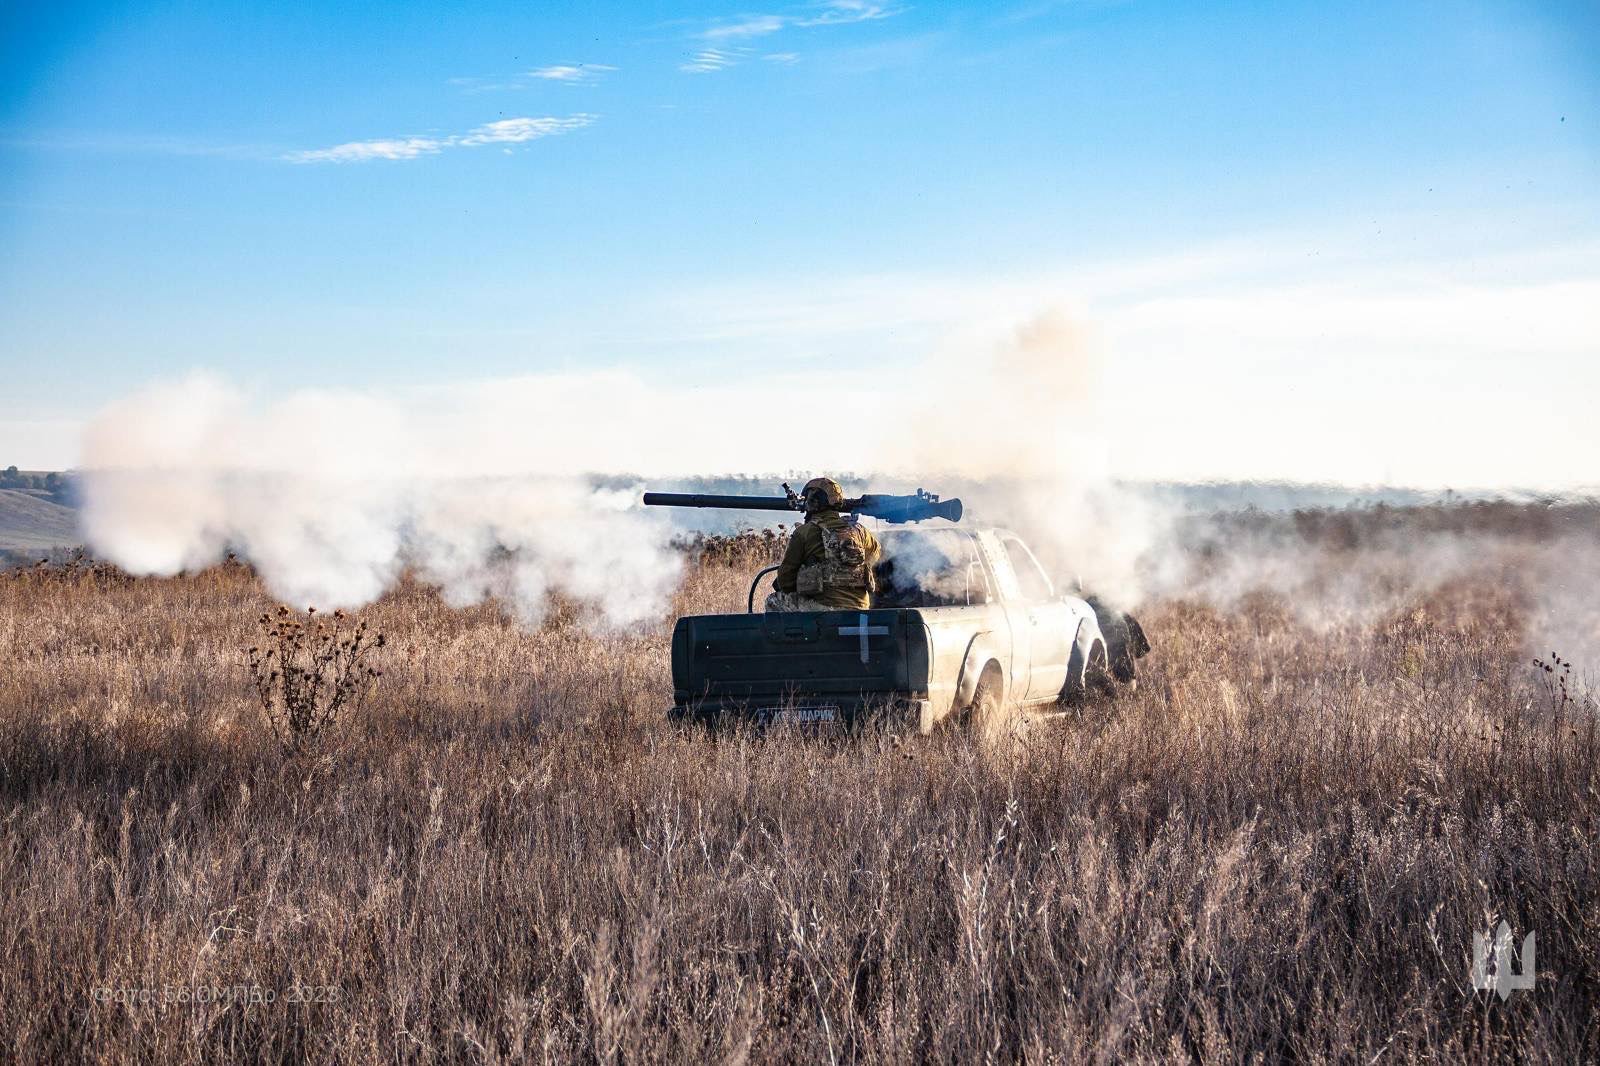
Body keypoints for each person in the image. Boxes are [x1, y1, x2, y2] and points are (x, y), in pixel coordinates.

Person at [765, 477, 882, 612]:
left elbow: (785, 581)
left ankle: (802, 634)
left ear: (811, 502)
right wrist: (851, 567)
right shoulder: (860, 530)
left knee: (773, 601)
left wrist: (807, 577)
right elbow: (875, 553)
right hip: (860, 607)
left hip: (823, 608)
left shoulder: (804, 532)